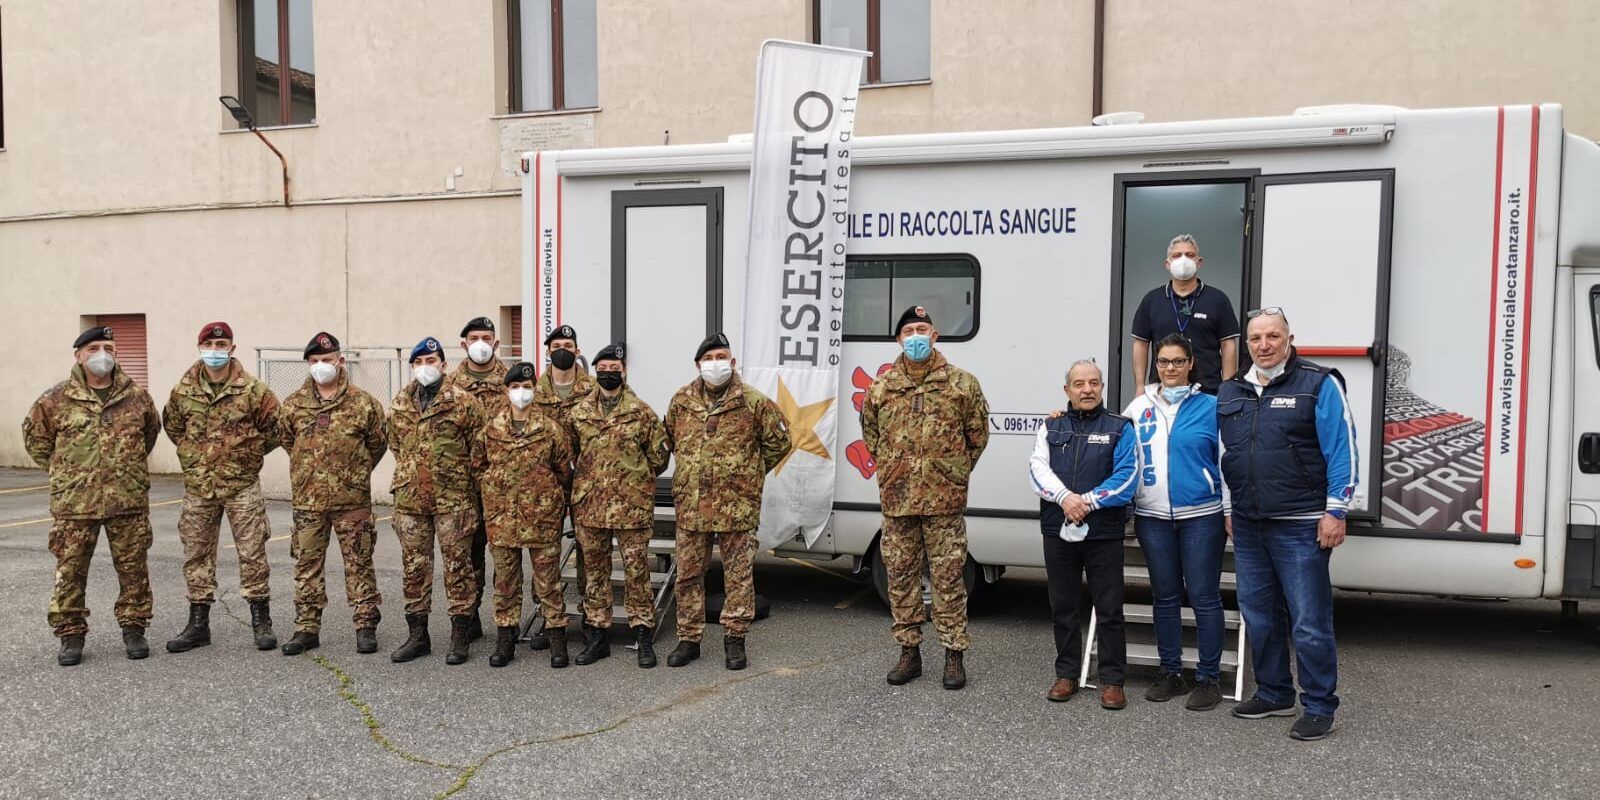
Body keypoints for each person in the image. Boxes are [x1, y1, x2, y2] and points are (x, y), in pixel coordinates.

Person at [1218, 307, 1357, 742]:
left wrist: (1336, 511)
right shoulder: (1231, 391)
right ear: (1247, 345)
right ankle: (1275, 692)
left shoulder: (1318, 383)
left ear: (1289, 338)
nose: (1264, 345)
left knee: (1309, 621)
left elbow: (1343, 449)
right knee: (1259, 616)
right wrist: (1228, 509)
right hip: (1248, 523)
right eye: (1256, 338)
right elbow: (1227, 455)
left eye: (1272, 336)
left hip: (1301, 523)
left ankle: (1318, 705)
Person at [860, 305, 990, 690]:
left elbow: (977, 437)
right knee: (900, 578)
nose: (916, 336)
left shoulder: (961, 384)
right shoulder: (881, 389)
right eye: (909, 330)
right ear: (898, 339)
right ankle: (909, 652)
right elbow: (873, 438)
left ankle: (953, 655)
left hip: (944, 503)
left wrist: (949, 472)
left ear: (935, 336)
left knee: (949, 579)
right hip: (898, 502)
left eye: (923, 329)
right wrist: (897, 470)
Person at [23, 325, 162, 666]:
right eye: (95, 348)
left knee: (133, 571)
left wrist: (124, 472)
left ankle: (134, 629)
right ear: (79, 355)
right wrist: (67, 474)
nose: (103, 355)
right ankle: (71, 635)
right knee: (70, 571)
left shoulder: (137, 397)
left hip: (126, 501)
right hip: (75, 504)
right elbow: (37, 443)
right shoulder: (54, 400)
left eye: (110, 348)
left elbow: (149, 435)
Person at [662, 332, 791, 670]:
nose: (715, 364)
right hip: (692, 506)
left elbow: (780, 443)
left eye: (722, 357)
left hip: (737, 506)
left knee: (738, 576)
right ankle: (689, 639)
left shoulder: (754, 402)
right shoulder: (681, 402)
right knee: (688, 575)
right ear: (698, 365)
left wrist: (750, 474)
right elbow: (672, 441)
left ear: (733, 363)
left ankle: (735, 640)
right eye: (709, 358)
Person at [1120, 333, 1229, 710]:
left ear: (1191, 364)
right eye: (1164, 362)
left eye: (1177, 361)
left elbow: (1226, 462)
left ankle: (1208, 677)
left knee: (1204, 597)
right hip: (1153, 518)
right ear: (1156, 366)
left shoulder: (1212, 407)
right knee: (1165, 597)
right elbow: (1122, 457)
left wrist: (1229, 510)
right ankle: (1170, 672)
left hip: (1202, 517)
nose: (1170, 368)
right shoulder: (1137, 408)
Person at [162, 321, 284, 654]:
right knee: (197, 554)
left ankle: (261, 621)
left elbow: (277, 427)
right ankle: (198, 625)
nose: (215, 352)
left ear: (232, 348)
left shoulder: (253, 390)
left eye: (222, 345)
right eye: (210, 346)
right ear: (200, 347)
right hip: (200, 486)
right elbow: (173, 426)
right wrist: (196, 454)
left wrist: (248, 452)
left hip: (241, 485)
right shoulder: (183, 390)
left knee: (252, 553)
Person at [1027, 359, 1138, 708]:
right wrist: (1064, 498)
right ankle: (1067, 674)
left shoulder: (1121, 427)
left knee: (1109, 608)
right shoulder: (1050, 426)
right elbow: (1036, 469)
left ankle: (1112, 681)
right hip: (1058, 529)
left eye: (1094, 383)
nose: (1087, 389)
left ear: (1102, 387)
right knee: (1063, 606)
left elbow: (1128, 477)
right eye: (1079, 384)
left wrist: (1086, 502)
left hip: (1103, 531)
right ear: (1067, 390)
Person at [275, 332, 387, 656]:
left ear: (340, 360)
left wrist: (354, 471)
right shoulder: (294, 405)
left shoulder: (362, 403)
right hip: (309, 502)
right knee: (306, 565)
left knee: (359, 564)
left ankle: (365, 625)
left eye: (327, 360)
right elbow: (287, 441)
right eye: (315, 361)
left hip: (352, 501)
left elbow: (377, 443)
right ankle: (307, 627)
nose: (322, 366)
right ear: (308, 364)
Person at [568, 343, 672, 668]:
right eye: (604, 367)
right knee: (595, 574)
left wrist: (631, 479)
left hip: (631, 507)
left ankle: (642, 635)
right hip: (591, 508)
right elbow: (572, 454)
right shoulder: (580, 413)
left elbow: (659, 457)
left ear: (623, 370)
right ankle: (598, 636)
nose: (610, 372)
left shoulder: (642, 412)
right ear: (595, 370)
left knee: (637, 571)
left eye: (615, 367)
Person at [386, 337, 487, 665]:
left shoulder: (464, 402)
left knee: (459, 568)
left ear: (443, 364)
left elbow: (479, 450)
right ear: (412, 367)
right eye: (419, 362)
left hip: (453, 499)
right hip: (411, 500)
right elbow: (396, 446)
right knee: (414, 569)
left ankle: (460, 635)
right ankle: (418, 636)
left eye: (431, 361)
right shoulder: (400, 403)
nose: (425, 367)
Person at [478, 361, 573, 668]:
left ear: (535, 390)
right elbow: (478, 466)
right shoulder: (491, 431)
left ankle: (557, 637)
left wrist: (546, 499)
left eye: (528, 387)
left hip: (542, 520)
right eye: (516, 387)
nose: (522, 392)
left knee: (548, 582)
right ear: (506, 391)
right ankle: (505, 638)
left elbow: (563, 470)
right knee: (505, 582)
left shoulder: (550, 430)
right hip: (503, 520)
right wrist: (496, 495)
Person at [526, 323, 595, 649]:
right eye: (556, 346)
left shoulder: (594, 390)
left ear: (577, 350)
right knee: (545, 554)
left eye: (568, 344)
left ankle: (590, 619)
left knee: (588, 551)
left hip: (584, 482)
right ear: (548, 352)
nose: (562, 350)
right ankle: (547, 620)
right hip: (546, 484)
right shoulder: (532, 393)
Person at [442, 316, 508, 644]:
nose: (480, 342)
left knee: (506, 554)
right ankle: (471, 616)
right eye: (474, 337)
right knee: (470, 554)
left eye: (486, 337)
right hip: (464, 485)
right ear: (464, 344)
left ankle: (507, 621)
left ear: (496, 342)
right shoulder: (450, 383)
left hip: (503, 484)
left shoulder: (513, 380)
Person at [1130, 234, 1241, 394]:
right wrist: (1140, 386)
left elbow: (1228, 345)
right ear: (1167, 264)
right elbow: (1141, 344)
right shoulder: (1151, 300)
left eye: (1190, 255)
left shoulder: (1218, 299)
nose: (1183, 260)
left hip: (1207, 390)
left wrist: (1228, 388)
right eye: (1176, 255)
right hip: (1161, 390)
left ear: (1199, 262)